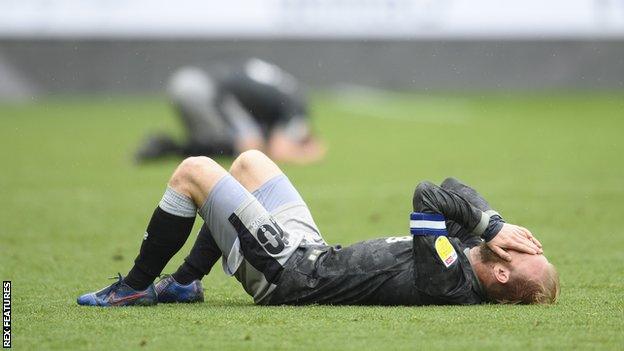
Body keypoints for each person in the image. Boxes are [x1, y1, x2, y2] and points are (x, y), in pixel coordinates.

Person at [77, 150, 559, 307]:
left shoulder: (450, 278)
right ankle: (184, 283)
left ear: (500, 274)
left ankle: (134, 289)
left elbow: (428, 193)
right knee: (249, 161)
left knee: (194, 171)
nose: (519, 241)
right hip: (310, 251)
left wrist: (491, 223)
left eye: (524, 250)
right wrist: (493, 226)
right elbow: (455, 184)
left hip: (287, 273)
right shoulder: (474, 254)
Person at [135, 58, 325, 165]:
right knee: (243, 151)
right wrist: (309, 155)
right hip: (202, 92)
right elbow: (278, 151)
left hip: (191, 80)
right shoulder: (296, 107)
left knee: (212, 148)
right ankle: (167, 147)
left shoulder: (284, 90)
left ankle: (166, 147)